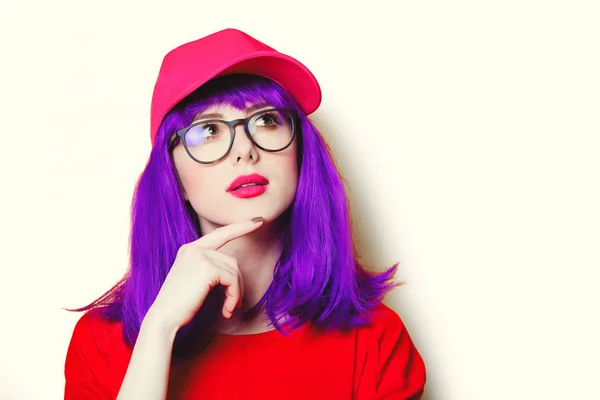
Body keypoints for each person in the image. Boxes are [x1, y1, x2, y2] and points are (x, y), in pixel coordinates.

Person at [63, 28, 426, 400]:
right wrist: (158, 330)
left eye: (267, 121)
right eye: (208, 131)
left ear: (300, 156)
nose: (245, 150)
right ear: (175, 179)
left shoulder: (376, 339)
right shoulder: (101, 344)